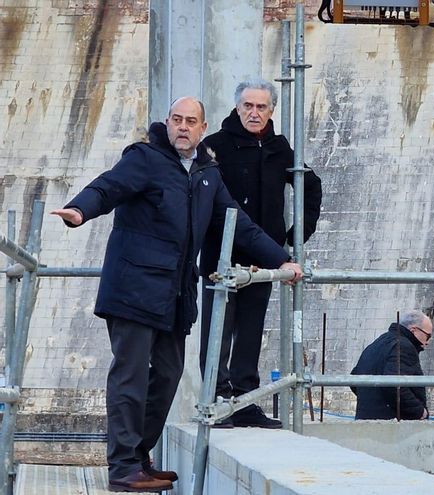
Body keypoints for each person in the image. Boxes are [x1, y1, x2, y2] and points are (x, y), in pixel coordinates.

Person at [50, 97, 303, 493]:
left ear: (203, 128)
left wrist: (281, 260)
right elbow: (108, 187)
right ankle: (122, 467)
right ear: (167, 123)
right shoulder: (145, 159)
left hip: (174, 296)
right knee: (129, 378)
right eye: (177, 120)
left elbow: (241, 225)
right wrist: (79, 210)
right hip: (133, 289)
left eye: (191, 121)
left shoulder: (207, 174)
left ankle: (139, 455)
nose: (183, 127)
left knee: (167, 376)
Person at [198, 78, 322, 429]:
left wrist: (295, 238)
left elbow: (311, 187)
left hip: (265, 258)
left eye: (261, 107)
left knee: (251, 332)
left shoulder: (280, 150)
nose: (254, 113)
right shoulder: (213, 147)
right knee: (217, 333)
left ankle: (245, 402)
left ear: (271, 111)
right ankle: (218, 402)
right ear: (237, 108)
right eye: (247, 106)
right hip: (220, 259)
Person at [351, 311, 432, 420]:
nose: (427, 342)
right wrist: (419, 411)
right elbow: (393, 385)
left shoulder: (377, 343)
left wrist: (373, 399)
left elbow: (355, 378)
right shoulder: (404, 346)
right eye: (428, 336)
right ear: (414, 330)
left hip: (364, 421)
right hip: (392, 425)